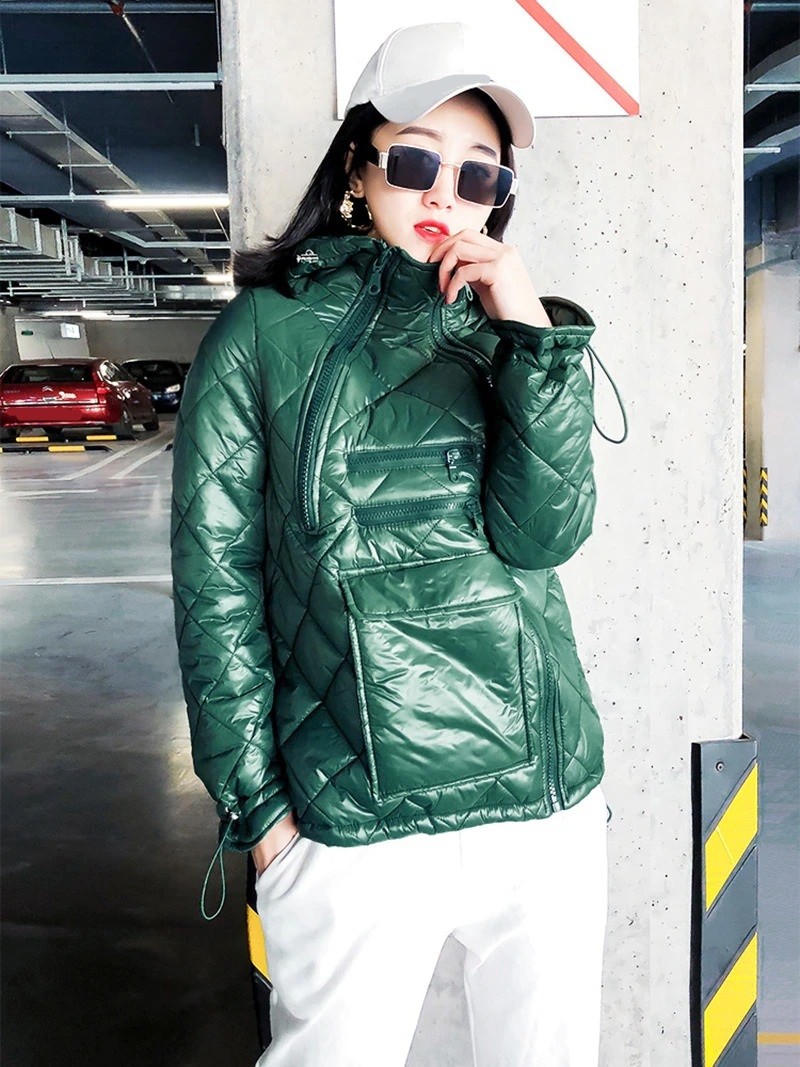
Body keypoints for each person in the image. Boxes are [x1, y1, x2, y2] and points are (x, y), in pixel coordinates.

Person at [170, 20, 615, 1067]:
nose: (442, 194)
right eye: (415, 160)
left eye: (477, 174)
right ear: (357, 169)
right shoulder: (262, 334)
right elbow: (215, 582)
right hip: (353, 808)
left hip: (541, 796)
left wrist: (532, 337)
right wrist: (259, 812)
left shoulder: (510, 329)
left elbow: (542, 536)